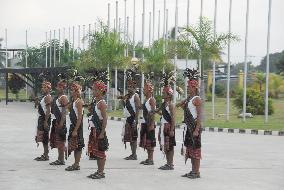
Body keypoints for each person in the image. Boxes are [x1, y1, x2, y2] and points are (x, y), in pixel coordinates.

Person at [178, 69, 202, 179]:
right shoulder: (189, 99)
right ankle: (193, 171)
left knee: (195, 150)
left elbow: (200, 116)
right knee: (190, 149)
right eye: (187, 87)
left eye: (189, 87)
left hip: (194, 127)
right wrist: (185, 101)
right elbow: (180, 106)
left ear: (194, 87)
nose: (187, 89)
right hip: (188, 127)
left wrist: (197, 129)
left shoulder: (197, 99)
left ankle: (196, 172)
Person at [87, 79, 109, 179]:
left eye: (95, 90)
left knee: (101, 152)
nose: (93, 91)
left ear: (100, 91)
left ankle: (101, 172)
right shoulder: (97, 102)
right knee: (96, 152)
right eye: (93, 90)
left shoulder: (102, 103)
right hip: (95, 130)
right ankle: (98, 171)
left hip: (99, 130)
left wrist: (102, 132)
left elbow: (105, 119)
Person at [118, 69, 141, 160]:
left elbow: (138, 109)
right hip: (128, 118)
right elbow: (126, 107)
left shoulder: (136, 96)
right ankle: (132, 154)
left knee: (133, 137)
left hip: (133, 119)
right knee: (130, 138)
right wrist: (122, 100)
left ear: (134, 87)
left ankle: (134, 154)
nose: (129, 88)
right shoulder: (127, 96)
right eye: (128, 86)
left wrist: (135, 120)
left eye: (131, 86)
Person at [157, 73, 176, 170]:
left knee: (170, 145)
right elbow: (160, 112)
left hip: (169, 126)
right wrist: (153, 112)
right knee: (165, 144)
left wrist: (172, 130)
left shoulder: (171, 105)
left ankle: (170, 164)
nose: (162, 94)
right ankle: (168, 163)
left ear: (168, 95)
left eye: (164, 93)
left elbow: (173, 118)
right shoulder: (163, 104)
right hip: (163, 125)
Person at [65, 82, 85, 171]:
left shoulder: (79, 102)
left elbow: (80, 117)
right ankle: (75, 163)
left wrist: (76, 130)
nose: (71, 91)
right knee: (75, 145)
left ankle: (76, 164)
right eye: (71, 90)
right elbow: (67, 108)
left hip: (77, 127)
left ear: (77, 92)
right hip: (72, 126)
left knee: (78, 145)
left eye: (73, 90)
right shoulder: (73, 102)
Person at [49, 80, 68, 165]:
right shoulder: (57, 97)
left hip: (61, 122)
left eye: (62, 87)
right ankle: (59, 159)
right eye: (58, 87)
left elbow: (64, 112)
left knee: (61, 141)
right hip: (56, 121)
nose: (59, 88)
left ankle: (61, 160)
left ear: (64, 88)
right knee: (58, 141)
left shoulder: (63, 98)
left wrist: (61, 123)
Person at [139, 79, 156, 165]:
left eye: (144, 89)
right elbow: (140, 107)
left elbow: (153, 112)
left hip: (149, 123)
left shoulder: (152, 100)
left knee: (150, 141)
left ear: (149, 90)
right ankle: (148, 158)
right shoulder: (146, 100)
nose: (143, 90)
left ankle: (151, 159)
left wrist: (151, 124)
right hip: (145, 122)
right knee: (147, 141)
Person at [34, 80, 52, 161]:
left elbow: (48, 110)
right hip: (42, 118)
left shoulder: (48, 97)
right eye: (43, 87)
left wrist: (45, 121)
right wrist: (37, 101)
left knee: (45, 137)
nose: (43, 88)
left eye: (45, 87)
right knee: (43, 137)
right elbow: (42, 107)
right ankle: (45, 154)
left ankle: (46, 155)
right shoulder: (44, 96)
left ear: (49, 89)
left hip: (45, 119)